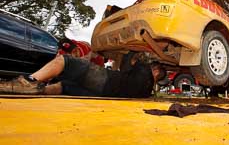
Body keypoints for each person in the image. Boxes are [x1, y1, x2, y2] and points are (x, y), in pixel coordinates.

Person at [0, 54, 166, 98]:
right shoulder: (146, 92)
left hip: (103, 79)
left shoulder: (145, 70)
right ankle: (35, 91)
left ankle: (29, 82)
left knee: (65, 61)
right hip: (102, 94)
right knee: (63, 87)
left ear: (156, 71)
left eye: (154, 66)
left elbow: (130, 60)